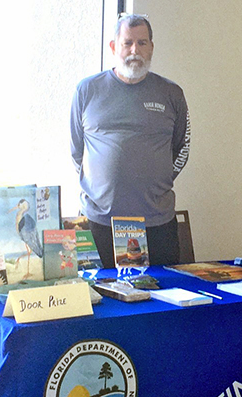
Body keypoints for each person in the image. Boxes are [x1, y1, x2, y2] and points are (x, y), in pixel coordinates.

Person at [70, 14, 190, 268]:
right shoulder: (87, 90)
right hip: (98, 224)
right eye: (127, 43)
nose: (135, 50)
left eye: (142, 43)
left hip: (156, 224)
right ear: (114, 47)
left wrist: (156, 182)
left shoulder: (172, 94)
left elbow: (182, 149)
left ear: (152, 47)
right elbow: (76, 150)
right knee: (98, 302)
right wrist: (104, 186)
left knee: (162, 302)